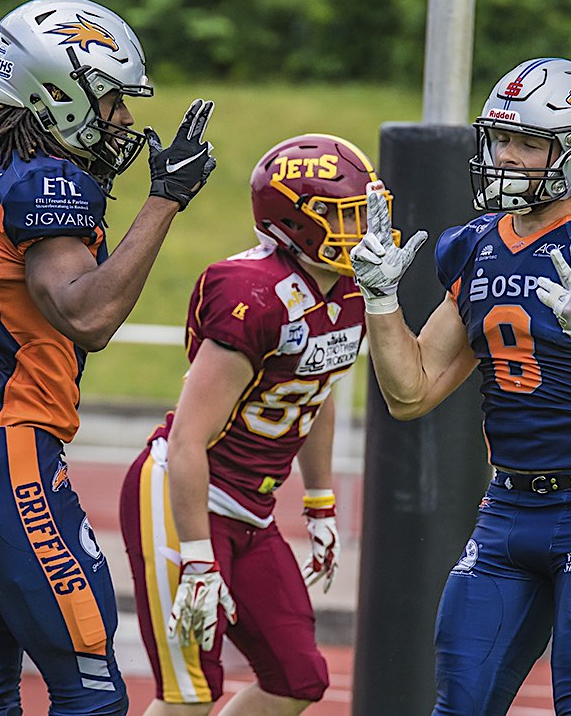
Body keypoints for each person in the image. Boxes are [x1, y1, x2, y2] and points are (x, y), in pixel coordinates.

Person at [0, 0, 217, 716]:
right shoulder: (45, 180)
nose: (123, 122)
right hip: (9, 455)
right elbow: (89, 313)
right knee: (92, 693)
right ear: (59, 92)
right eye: (111, 101)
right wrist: (164, 201)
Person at [350, 57, 571, 716]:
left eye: (527, 141)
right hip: (505, 510)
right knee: (460, 703)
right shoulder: (476, 244)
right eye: (501, 138)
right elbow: (409, 392)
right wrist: (381, 299)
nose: (505, 154)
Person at [118, 134, 392, 715]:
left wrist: (320, 504)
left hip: (251, 511)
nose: (360, 230)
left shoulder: (350, 291)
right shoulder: (252, 293)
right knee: (191, 693)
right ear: (294, 222)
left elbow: (316, 390)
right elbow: (189, 438)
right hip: (185, 498)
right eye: (343, 217)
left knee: (299, 678)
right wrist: (196, 556)